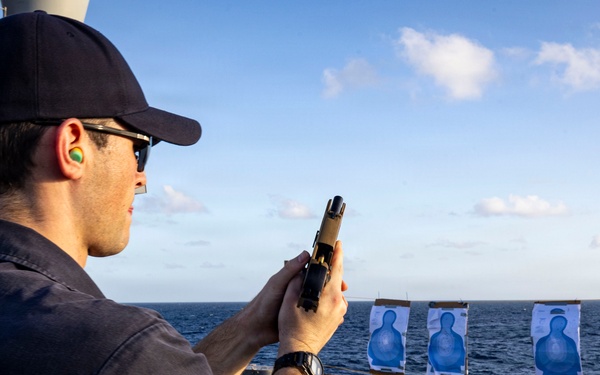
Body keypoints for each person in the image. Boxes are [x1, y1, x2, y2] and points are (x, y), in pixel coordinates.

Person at [0, 11, 348, 375]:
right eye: (138, 149)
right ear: (74, 147)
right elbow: (124, 359)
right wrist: (301, 349)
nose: (141, 178)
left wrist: (252, 327)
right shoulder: (113, 343)